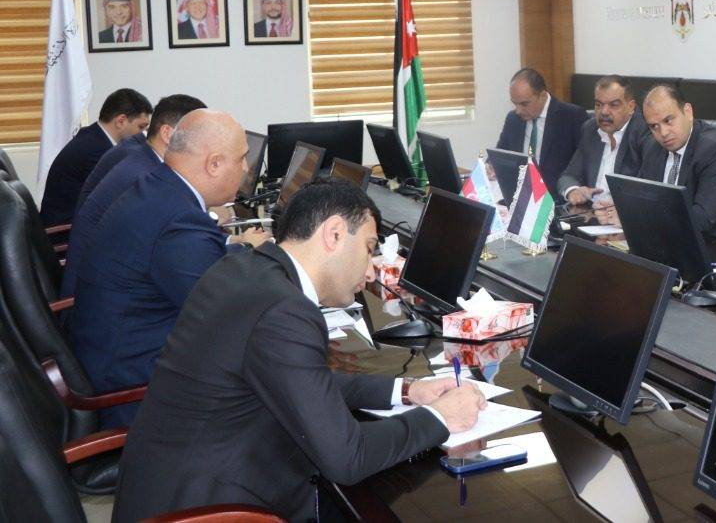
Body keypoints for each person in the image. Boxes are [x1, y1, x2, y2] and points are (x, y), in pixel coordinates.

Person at [111, 179, 487, 522]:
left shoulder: (243, 270)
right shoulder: (283, 310)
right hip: (211, 508)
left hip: (170, 489)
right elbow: (349, 458)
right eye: (369, 248)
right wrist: (440, 417)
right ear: (334, 234)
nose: (372, 271)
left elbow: (304, 382)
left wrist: (406, 390)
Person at [68, 109, 269, 426]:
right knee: (271, 391)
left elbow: (198, 267)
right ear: (214, 164)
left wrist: (241, 251)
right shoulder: (177, 219)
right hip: (134, 391)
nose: (246, 169)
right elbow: (227, 309)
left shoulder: (159, 189)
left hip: (113, 356)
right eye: (242, 158)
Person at [63, 94, 207, 298]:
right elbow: (176, 248)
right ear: (168, 134)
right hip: (99, 298)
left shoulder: (138, 156)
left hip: (100, 284)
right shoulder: (145, 176)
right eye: (199, 137)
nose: (205, 147)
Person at [625, 84, 716, 261]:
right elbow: (642, 198)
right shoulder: (653, 148)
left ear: (688, 112)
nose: (663, 133)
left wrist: (646, 220)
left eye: (668, 120)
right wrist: (625, 213)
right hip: (676, 242)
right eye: (654, 126)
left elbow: (701, 218)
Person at [39, 87, 152, 227]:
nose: (144, 134)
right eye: (141, 127)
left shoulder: (93, 138)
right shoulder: (96, 151)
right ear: (121, 121)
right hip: (66, 230)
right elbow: (116, 200)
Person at [495, 67, 587, 198]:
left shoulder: (572, 116)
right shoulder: (513, 119)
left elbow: (582, 166)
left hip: (557, 198)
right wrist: (492, 166)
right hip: (520, 196)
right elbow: (500, 155)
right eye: (515, 104)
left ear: (542, 96)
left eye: (524, 104)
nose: (518, 111)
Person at [557, 74, 647, 205]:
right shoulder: (591, 129)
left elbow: (647, 190)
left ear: (631, 107)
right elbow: (568, 176)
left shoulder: (643, 132)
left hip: (624, 214)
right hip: (589, 212)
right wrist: (574, 191)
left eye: (614, 105)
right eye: (598, 104)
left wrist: (622, 207)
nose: (604, 112)